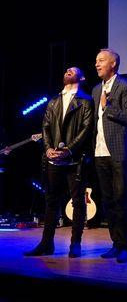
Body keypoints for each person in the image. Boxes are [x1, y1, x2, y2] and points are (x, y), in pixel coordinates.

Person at [24, 67, 94, 258]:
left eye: (73, 70)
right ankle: (47, 243)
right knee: (51, 202)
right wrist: (47, 149)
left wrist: (69, 150)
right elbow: (45, 127)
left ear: (82, 77)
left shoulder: (85, 101)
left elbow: (86, 129)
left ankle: (75, 244)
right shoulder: (54, 101)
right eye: (66, 70)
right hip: (53, 160)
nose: (68, 71)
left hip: (74, 160)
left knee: (78, 202)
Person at [92, 48, 127, 263]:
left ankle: (124, 246)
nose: (97, 64)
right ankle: (114, 242)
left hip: (120, 150)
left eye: (101, 60)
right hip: (100, 151)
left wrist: (108, 108)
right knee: (108, 200)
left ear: (113, 63)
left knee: (122, 199)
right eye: (96, 61)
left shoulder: (126, 86)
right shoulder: (95, 90)